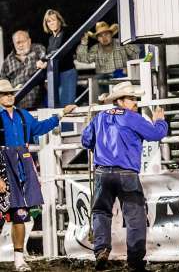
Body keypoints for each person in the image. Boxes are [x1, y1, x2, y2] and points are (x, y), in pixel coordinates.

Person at [81, 81, 167, 272]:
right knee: (135, 216)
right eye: (131, 98)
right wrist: (160, 120)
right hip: (127, 174)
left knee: (101, 212)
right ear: (120, 101)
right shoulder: (133, 118)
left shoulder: (99, 117)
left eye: (135, 98)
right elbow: (155, 134)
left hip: (103, 173)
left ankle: (101, 250)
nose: (135, 102)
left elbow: (86, 141)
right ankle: (135, 261)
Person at [0, 79, 76, 271]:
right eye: (4, 94)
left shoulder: (23, 116)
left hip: (21, 166)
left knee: (20, 213)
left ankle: (18, 259)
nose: (9, 96)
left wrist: (61, 114)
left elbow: (40, 127)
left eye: (10, 93)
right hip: (3, 165)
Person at [76, 22, 140, 89]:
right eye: (100, 36)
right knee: (99, 80)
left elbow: (137, 52)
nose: (104, 38)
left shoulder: (122, 43)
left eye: (106, 34)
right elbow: (82, 59)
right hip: (104, 80)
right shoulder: (95, 49)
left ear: (111, 34)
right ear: (97, 38)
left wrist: (129, 68)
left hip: (122, 77)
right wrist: (83, 44)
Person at [1, 31, 46, 110]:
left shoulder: (37, 49)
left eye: (23, 41)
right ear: (14, 44)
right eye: (17, 43)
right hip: (17, 104)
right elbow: (3, 82)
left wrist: (42, 62)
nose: (21, 45)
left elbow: (45, 59)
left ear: (29, 41)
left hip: (38, 102)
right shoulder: (8, 61)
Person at [42, 9, 78, 106]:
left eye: (53, 20)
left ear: (59, 21)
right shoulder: (51, 39)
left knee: (67, 105)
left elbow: (60, 51)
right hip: (55, 74)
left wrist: (45, 60)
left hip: (67, 72)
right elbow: (49, 54)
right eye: (48, 21)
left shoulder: (66, 33)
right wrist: (42, 61)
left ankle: (68, 122)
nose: (51, 23)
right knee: (56, 107)